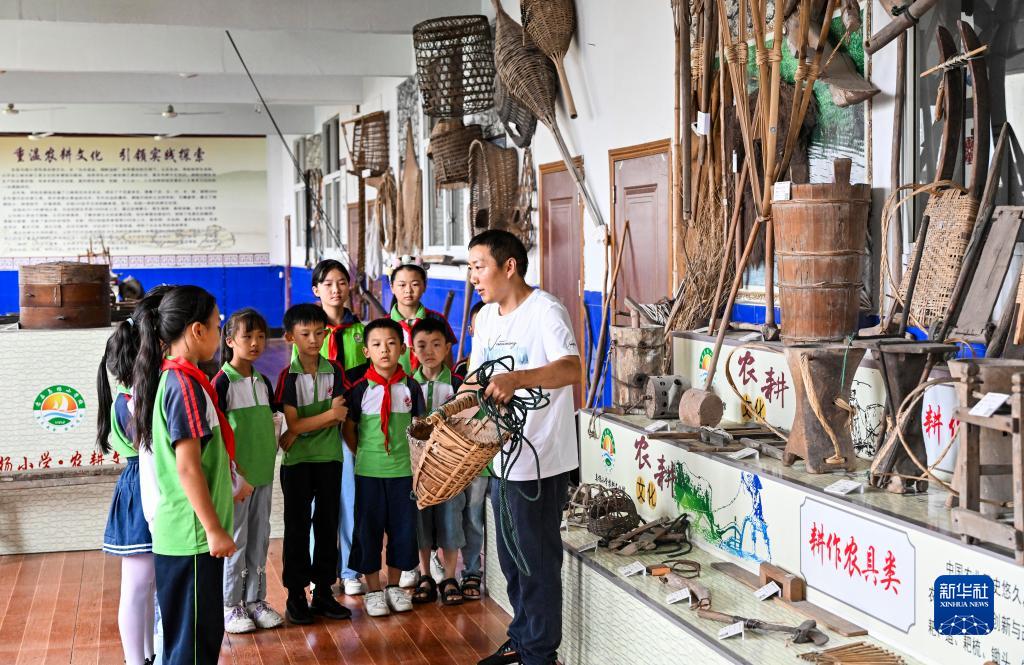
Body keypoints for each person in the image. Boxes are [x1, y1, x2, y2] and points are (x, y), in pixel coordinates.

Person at [465, 230, 582, 665]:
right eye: (470, 267)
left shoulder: (545, 310)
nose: (473, 276)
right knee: (511, 560)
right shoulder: (487, 318)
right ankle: (523, 638)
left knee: (536, 560)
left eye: (479, 266)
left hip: (540, 458)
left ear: (509, 266)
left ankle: (539, 654)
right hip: (500, 457)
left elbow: (571, 369)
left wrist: (519, 379)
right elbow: (476, 378)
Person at [131, 285, 250, 665]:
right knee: (194, 645)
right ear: (197, 330)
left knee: (192, 639)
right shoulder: (183, 386)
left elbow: (202, 459)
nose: (219, 334)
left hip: (187, 533)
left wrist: (230, 486)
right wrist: (214, 529)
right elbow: (187, 466)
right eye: (217, 325)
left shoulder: (179, 379)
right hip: (194, 535)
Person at [97, 287, 169, 665]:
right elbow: (152, 448)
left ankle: (147, 655)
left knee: (146, 585)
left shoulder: (132, 396)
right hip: (141, 487)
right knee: (137, 586)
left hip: (142, 484)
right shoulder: (131, 401)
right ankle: (134, 659)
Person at [342, 318, 425, 617]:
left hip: (404, 473)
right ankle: (374, 589)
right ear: (366, 351)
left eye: (391, 343)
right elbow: (349, 429)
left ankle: (394, 586)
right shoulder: (359, 389)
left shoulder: (411, 387)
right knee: (369, 529)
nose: (385, 350)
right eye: (377, 344)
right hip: (369, 472)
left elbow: (419, 428)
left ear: (402, 348)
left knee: (402, 529)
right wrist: (363, 454)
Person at [274, 303, 351, 625]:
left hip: (330, 458)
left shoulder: (335, 370)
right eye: (305, 334)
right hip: (298, 463)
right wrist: (328, 416)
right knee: (297, 528)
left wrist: (302, 428)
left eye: (319, 333)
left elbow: (337, 416)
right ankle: (295, 595)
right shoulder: (287, 377)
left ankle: (323, 592)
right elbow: (294, 423)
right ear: (290, 337)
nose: (313, 340)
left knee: (327, 525)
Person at [214, 308, 285, 633]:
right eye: (247, 337)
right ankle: (231, 604)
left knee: (259, 538)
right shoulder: (221, 383)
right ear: (230, 340)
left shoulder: (263, 381)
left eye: (260, 336)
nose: (255, 343)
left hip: (263, 474)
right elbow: (216, 438)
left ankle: (256, 600)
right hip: (236, 481)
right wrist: (232, 473)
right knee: (237, 540)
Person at [309, 259, 367, 597]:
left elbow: (364, 378)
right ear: (316, 290)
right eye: (328, 283)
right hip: (318, 426)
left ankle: (350, 570)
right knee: (319, 503)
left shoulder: (360, 331)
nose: (336, 289)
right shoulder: (307, 332)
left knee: (350, 498)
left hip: (350, 423)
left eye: (341, 282)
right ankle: (320, 571)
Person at [409, 318, 464, 606]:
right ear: (412, 349)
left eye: (436, 344)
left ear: (447, 348)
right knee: (421, 520)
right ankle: (425, 574)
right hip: (419, 467)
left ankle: (450, 577)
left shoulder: (458, 384)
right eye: (421, 345)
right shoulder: (407, 384)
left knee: (451, 517)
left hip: (451, 466)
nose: (429, 351)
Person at [389, 260, 458, 375]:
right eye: (402, 285)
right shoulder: (385, 324)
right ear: (392, 287)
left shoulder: (437, 320)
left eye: (415, 284)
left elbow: (447, 362)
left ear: (424, 286)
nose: (408, 290)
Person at [453, 299, 485, 378]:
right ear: (470, 331)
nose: (486, 332)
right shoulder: (461, 369)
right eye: (479, 327)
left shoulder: (508, 366)